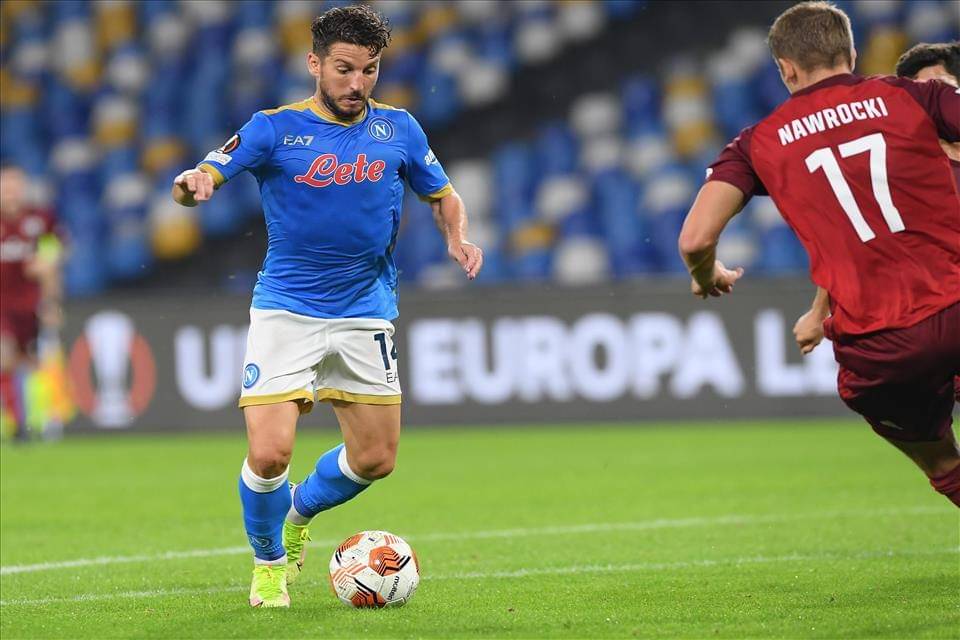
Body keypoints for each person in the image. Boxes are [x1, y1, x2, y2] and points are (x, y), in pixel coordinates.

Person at [171, 5, 482, 608]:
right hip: (287, 308)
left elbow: (443, 195)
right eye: (344, 69)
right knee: (269, 453)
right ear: (314, 63)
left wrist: (457, 236)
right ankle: (268, 564)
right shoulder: (273, 128)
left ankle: (296, 514)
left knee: (376, 459)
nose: (357, 83)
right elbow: (203, 174)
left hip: (366, 310)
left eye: (369, 70)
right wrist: (192, 185)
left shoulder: (400, 129)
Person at [677, 2, 960, 506]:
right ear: (851, 54)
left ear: (786, 69)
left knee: (942, 463)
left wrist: (706, 274)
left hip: (881, 342)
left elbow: (695, 240)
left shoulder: (757, 144)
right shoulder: (914, 96)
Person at [793, 41, 960, 415]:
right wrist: (819, 312)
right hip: (922, 316)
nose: (934, 98)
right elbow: (854, 243)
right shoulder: (893, 170)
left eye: (943, 87)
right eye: (922, 90)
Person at [0, 165, 64, 439]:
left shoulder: (41, 219)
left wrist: (51, 302)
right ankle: (14, 424)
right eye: (5, 186)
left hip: (31, 305)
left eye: (15, 186)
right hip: (2, 305)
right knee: (4, 355)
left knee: (30, 362)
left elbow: (52, 262)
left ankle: (34, 420)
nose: (10, 192)